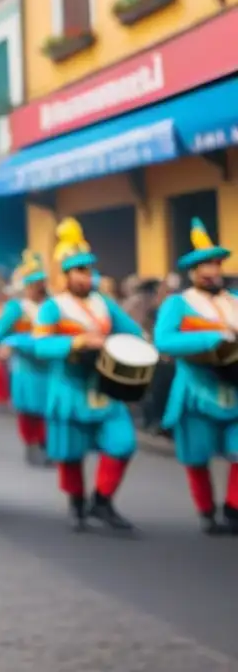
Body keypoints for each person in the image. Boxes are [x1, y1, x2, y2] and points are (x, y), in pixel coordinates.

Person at [32, 218, 146, 532]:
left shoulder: (104, 304)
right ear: (66, 274)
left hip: (105, 388)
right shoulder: (52, 307)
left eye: (88, 269)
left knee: (123, 443)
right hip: (69, 387)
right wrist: (77, 342)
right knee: (69, 454)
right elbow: (40, 346)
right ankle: (76, 503)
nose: (86, 276)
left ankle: (102, 500)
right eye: (79, 270)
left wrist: (135, 346)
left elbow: (133, 332)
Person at [152, 218, 238, 535]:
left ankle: (234, 509)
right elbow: (163, 341)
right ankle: (206, 511)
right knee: (197, 455)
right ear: (193, 272)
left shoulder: (234, 300)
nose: (213, 271)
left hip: (234, 386)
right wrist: (212, 339)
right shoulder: (178, 303)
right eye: (206, 265)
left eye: (216, 264)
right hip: (196, 390)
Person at [0, 252, 50, 467]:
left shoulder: (52, 305)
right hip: (25, 366)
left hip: (49, 365)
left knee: (47, 407)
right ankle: (31, 443)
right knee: (28, 407)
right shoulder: (17, 308)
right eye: (33, 284)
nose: (38, 287)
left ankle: (45, 443)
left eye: (40, 283)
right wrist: (13, 342)